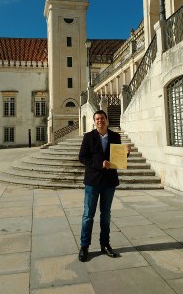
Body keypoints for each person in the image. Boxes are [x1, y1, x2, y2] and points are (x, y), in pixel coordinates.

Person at [78, 110, 131, 262]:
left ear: (107, 120)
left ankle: (105, 244)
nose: (99, 121)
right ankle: (84, 246)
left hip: (109, 182)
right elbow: (82, 157)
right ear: (94, 122)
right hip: (92, 182)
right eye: (97, 119)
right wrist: (99, 164)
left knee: (105, 215)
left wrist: (126, 153)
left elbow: (118, 159)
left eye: (102, 118)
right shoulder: (88, 137)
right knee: (88, 215)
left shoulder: (115, 136)